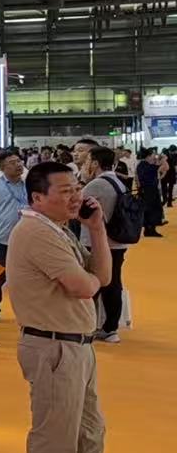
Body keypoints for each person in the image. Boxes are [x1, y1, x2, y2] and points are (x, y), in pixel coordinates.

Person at [4, 161, 142, 453]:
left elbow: (103, 277)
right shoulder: (35, 232)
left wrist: (96, 228)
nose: (76, 196)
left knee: (89, 433)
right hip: (53, 348)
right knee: (56, 437)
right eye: (65, 191)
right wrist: (91, 280)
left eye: (76, 188)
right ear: (38, 197)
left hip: (76, 345)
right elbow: (84, 286)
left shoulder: (57, 229)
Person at [79, 146, 136, 344]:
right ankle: (110, 328)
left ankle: (87, 326)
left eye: (88, 160)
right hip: (118, 241)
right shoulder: (120, 182)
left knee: (92, 285)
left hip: (96, 242)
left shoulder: (97, 184)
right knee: (113, 283)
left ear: (95, 163)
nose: (86, 164)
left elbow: (75, 206)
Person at [0, 150, 27, 322]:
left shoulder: (30, 184)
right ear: (1, 168)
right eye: (12, 162)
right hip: (1, 238)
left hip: (27, 239)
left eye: (19, 161)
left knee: (27, 277)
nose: (18, 165)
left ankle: (28, 311)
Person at [135, 150, 165, 238]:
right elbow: (165, 167)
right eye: (153, 155)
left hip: (147, 190)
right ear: (148, 156)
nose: (154, 156)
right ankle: (150, 230)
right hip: (149, 190)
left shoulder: (142, 165)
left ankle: (149, 229)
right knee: (152, 209)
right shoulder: (146, 165)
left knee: (149, 209)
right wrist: (163, 158)